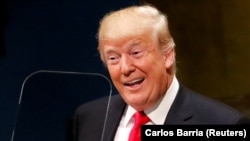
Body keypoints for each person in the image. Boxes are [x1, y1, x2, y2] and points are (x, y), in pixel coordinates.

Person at [73, 4, 250, 141]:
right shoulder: (89, 117)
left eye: (136, 53)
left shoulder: (223, 125)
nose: (125, 68)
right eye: (113, 58)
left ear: (167, 56)